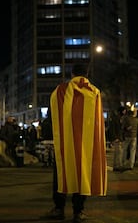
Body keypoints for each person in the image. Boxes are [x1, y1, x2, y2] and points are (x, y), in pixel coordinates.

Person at [42, 63, 107, 223]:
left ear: (72, 73)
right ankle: (79, 211)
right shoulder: (95, 92)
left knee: (61, 174)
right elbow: (98, 122)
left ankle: (59, 209)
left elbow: (51, 117)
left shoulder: (60, 91)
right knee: (82, 174)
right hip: (85, 145)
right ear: (87, 74)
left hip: (65, 143)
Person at [108, 106, 126, 171]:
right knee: (118, 152)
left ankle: (116, 166)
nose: (124, 112)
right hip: (118, 138)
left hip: (119, 137)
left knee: (118, 152)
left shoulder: (119, 118)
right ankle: (118, 166)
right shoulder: (116, 118)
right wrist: (115, 137)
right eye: (124, 111)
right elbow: (113, 128)